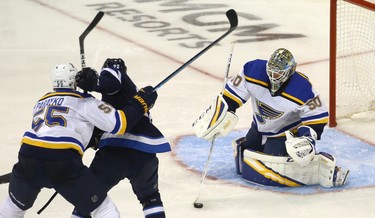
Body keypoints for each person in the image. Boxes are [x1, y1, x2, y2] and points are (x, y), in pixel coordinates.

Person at [0, 63, 157, 218]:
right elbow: (119, 124)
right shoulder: (84, 102)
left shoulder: (42, 101)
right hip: (62, 162)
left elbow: (60, 129)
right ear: (74, 80)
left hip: (28, 157)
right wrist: (141, 103)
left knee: (13, 207)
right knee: (104, 210)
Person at [193, 48, 349, 188]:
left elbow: (317, 118)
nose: (273, 77)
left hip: (286, 134)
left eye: (278, 73)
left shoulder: (302, 89)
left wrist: (306, 138)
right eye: (271, 71)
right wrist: (221, 112)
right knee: (244, 152)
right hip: (259, 127)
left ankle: (322, 167)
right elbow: (232, 95)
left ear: (289, 72)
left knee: (273, 163)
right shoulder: (252, 70)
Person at [71, 58, 170, 218]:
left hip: (114, 153)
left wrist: (94, 83)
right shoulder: (135, 93)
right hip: (144, 153)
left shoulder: (115, 73)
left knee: (86, 199)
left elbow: (111, 83)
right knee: (150, 198)